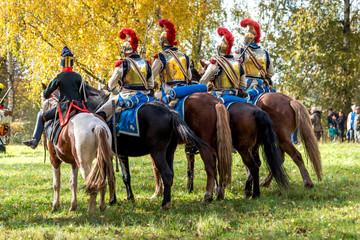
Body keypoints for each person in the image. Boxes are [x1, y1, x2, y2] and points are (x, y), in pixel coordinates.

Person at [23, 46, 88, 149]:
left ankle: (35, 140)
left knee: (41, 115)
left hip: (64, 107)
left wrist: (47, 93)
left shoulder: (59, 77)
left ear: (61, 63)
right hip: (79, 107)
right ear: (72, 63)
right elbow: (85, 95)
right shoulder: (78, 76)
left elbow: (46, 94)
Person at [96, 28, 154, 120]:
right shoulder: (147, 64)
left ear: (125, 52)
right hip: (144, 97)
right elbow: (151, 85)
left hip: (126, 97)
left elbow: (111, 85)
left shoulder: (122, 64)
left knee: (100, 114)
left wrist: (115, 90)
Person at [151, 19, 192, 106]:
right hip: (184, 91)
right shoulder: (184, 56)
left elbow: (150, 77)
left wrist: (152, 84)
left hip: (168, 91)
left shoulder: (161, 57)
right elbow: (190, 77)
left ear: (162, 43)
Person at [234, 19, 275, 102]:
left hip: (245, 85)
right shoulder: (265, 53)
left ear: (245, 39)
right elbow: (271, 73)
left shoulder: (240, 51)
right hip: (262, 86)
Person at [199, 27, 247, 98]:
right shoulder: (238, 63)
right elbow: (243, 84)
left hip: (218, 97)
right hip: (234, 96)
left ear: (219, 50)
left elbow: (203, 82)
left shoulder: (215, 63)